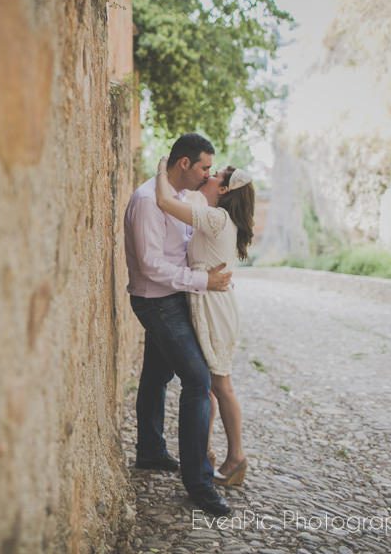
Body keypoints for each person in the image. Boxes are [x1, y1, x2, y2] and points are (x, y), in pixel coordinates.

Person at [124, 133, 233, 517]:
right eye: (204, 166)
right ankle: (199, 483)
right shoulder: (145, 202)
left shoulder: (184, 198)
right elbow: (152, 266)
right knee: (198, 381)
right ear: (184, 164)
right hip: (156, 302)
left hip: (175, 297)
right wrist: (205, 282)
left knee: (156, 375)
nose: (207, 174)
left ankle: (151, 452)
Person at [154, 156, 255, 487]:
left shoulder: (216, 218)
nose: (209, 176)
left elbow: (164, 201)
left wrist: (161, 169)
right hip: (207, 302)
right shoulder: (218, 219)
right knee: (208, 386)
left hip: (213, 308)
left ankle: (237, 457)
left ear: (223, 189)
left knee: (220, 384)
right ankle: (205, 452)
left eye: (216, 175)